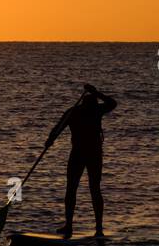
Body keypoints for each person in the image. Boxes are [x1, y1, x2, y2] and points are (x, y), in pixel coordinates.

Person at [45, 83, 117, 238]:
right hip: (83, 154)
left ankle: (95, 228)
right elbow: (57, 129)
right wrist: (50, 140)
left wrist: (95, 92)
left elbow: (56, 129)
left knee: (88, 189)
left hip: (89, 154)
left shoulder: (79, 111)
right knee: (78, 189)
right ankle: (76, 226)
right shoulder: (87, 111)